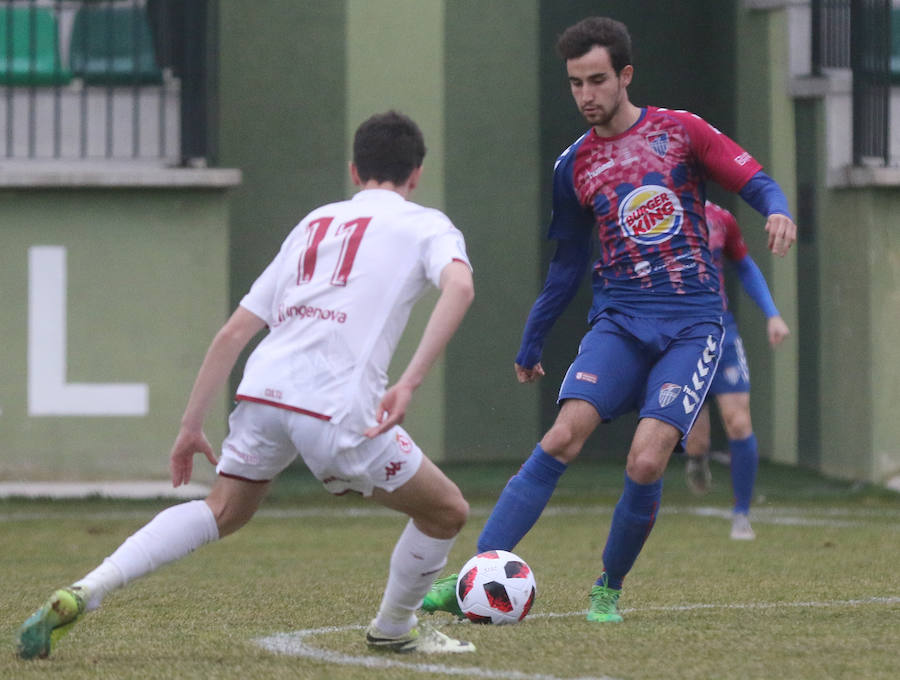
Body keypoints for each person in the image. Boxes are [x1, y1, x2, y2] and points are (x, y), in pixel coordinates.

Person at [18, 111, 477, 658]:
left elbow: (234, 332)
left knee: (222, 509)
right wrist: (409, 381)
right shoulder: (428, 225)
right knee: (445, 510)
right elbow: (460, 287)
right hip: (335, 406)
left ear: (355, 171)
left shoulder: (314, 223)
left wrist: (191, 425)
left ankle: (87, 588)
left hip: (264, 390)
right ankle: (394, 628)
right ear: (416, 174)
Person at [421, 16, 796, 624]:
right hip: (620, 322)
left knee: (646, 461)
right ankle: (470, 577)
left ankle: (608, 588)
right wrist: (532, 339)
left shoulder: (681, 132)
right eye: (575, 83)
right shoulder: (573, 166)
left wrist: (777, 209)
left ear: (625, 76)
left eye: (597, 80)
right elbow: (567, 266)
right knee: (561, 437)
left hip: (692, 325)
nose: (586, 95)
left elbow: (754, 179)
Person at [683, 201, 790, 541]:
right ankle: (697, 459)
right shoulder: (658, 213)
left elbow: (744, 265)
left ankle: (741, 514)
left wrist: (772, 314)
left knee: (739, 422)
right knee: (695, 437)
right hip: (679, 334)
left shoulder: (721, 217)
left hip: (722, 330)